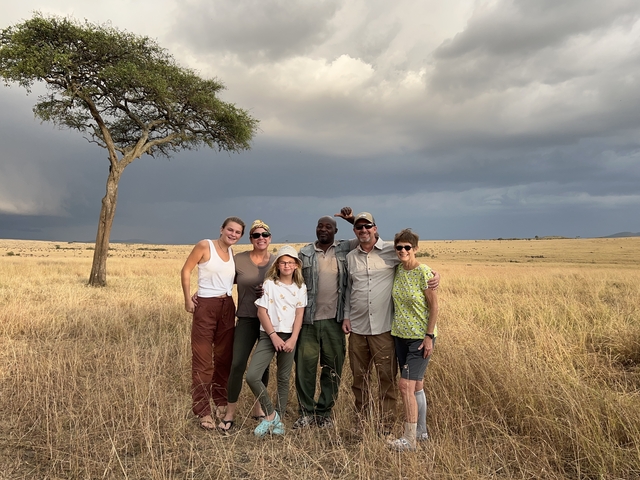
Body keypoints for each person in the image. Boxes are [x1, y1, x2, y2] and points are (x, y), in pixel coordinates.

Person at [341, 212, 439, 432]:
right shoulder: (350, 257)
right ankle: (361, 420)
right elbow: (349, 289)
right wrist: (346, 315)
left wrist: (434, 274)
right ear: (355, 231)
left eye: (368, 226)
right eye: (359, 227)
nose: (364, 230)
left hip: (384, 329)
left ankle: (385, 423)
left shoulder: (391, 251)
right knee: (359, 378)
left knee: (386, 378)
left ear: (375, 228)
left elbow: (413, 263)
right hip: (357, 327)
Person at [293, 215, 358, 429]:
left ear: (335, 231)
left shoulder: (345, 248)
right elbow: (290, 281)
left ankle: (324, 413)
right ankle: (306, 412)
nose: (323, 229)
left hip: (334, 321)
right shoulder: (304, 253)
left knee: (332, 368)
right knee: (305, 369)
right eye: (320, 226)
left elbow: (371, 237)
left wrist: (353, 219)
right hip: (308, 322)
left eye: (328, 227)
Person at [181, 217, 245, 431]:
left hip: (227, 305)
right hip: (206, 307)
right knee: (202, 360)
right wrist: (188, 299)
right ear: (222, 229)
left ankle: (220, 401)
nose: (233, 234)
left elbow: (229, 279)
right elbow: (186, 270)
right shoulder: (204, 245)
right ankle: (203, 410)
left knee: (224, 357)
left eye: (237, 232)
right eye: (230, 230)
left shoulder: (231, 253)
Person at [217, 220, 275, 433]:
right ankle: (230, 412)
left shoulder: (277, 261)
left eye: (265, 234)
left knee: (263, 366)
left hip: (269, 321)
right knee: (238, 363)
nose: (261, 238)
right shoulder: (239, 259)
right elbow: (222, 279)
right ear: (250, 239)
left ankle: (259, 408)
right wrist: (201, 291)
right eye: (256, 235)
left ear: (270, 238)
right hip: (246, 318)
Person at [246, 245, 307, 437]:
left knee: (283, 378)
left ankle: (278, 421)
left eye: (290, 262)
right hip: (269, 335)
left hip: (290, 337)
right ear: (277, 265)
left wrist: (293, 339)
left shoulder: (300, 288)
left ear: (296, 265)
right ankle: (270, 414)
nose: (286, 265)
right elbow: (261, 311)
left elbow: (299, 315)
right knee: (252, 376)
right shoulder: (269, 285)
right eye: (283, 262)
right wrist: (273, 336)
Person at [387, 229, 438, 452]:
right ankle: (422, 431)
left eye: (408, 247)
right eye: (399, 247)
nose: (403, 251)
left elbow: (434, 306)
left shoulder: (424, 272)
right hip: (399, 336)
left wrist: (429, 336)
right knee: (416, 385)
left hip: (419, 338)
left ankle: (409, 439)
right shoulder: (397, 270)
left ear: (415, 249)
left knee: (404, 385)